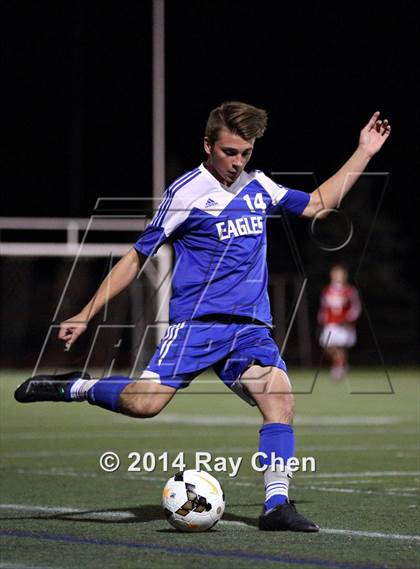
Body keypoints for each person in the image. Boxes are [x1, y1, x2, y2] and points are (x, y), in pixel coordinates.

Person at [15, 101, 391, 532]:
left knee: (280, 398)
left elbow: (320, 204)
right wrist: (85, 312)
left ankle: (276, 506)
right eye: (230, 152)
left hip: (249, 330)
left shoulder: (259, 186)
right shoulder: (185, 194)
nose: (237, 162)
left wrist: (365, 150)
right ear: (208, 144)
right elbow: (138, 257)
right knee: (144, 405)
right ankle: (76, 386)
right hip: (197, 326)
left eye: (245, 153)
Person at [318, 264, 362, 380]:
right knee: (327, 346)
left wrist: (348, 318)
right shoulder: (327, 290)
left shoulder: (349, 290)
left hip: (343, 324)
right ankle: (341, 363)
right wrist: (322, 317)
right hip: (330, 323)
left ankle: (338, 368)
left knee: (340, 346)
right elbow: (324, 307)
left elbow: (356, 307)